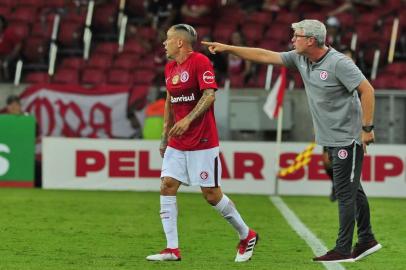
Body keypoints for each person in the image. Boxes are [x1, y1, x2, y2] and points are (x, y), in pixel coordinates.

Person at [202, 19, 381, 262]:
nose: (292, 39)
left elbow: (367, 90)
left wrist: (367, 128)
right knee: (352, 189)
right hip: (333, 138)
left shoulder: (339, 63)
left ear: (311, 40)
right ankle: (367, 240)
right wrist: (229, 48)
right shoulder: (300, 58)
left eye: (296, 35)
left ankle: (343, 248)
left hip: (347, 138)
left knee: (346, 193)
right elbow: (264, 55)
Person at [146, 24, 258, 262]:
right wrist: (166, 134)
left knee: (210, 194)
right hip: (178, 141)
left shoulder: (200, 62)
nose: (164, 43)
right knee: (167, 185)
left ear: (179, 42)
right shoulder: (169, 67)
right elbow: (169, 99)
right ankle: (172, 249)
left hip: (203, 140)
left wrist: (187, 119)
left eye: (168, 39)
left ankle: (246, 234)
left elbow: (209, 94)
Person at [6, 95, 42, 188]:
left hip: (25, 155)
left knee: (38, 168)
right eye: (11, 104)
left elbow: (36, 136)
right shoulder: (3, 121)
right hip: (7, 155)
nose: (13, 107)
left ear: (20, 106)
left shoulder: (28, 119)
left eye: (16, 104)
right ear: (7, 107)